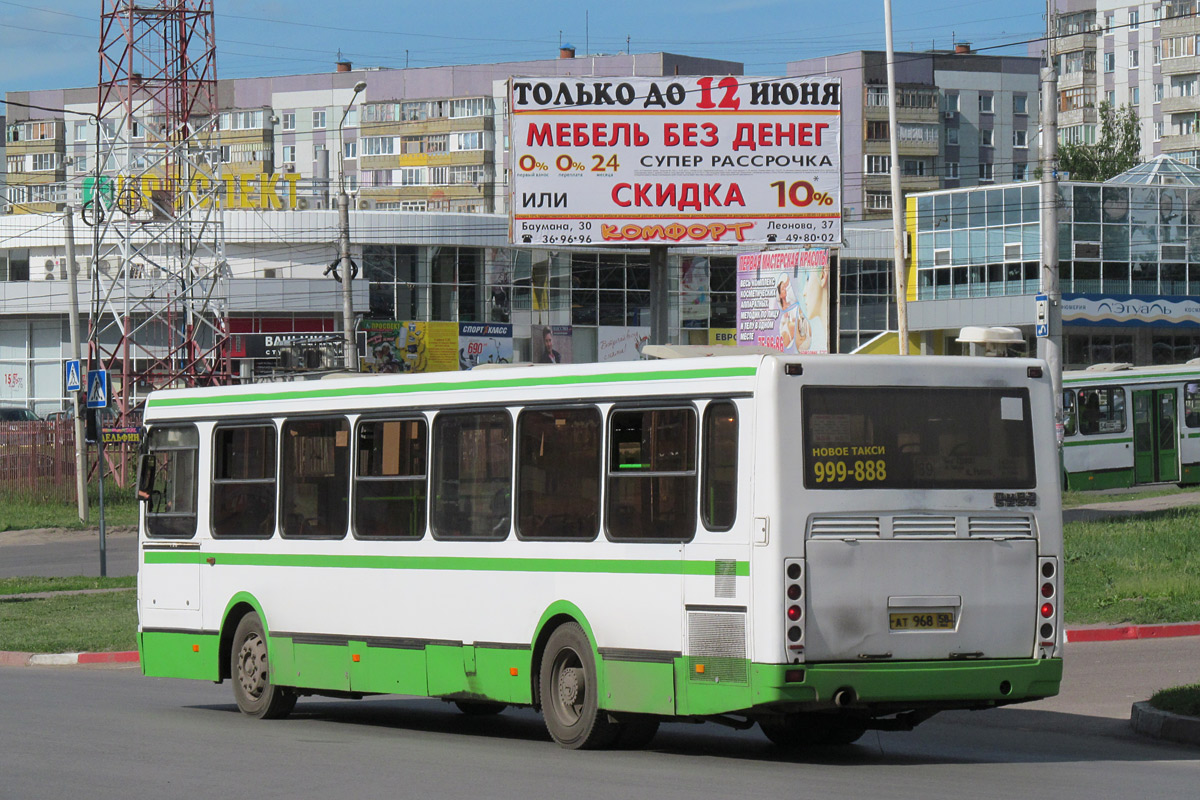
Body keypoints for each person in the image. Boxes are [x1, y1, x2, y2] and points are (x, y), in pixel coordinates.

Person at [774, 273, 809, 353]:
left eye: (785, 288)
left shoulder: (792, 303)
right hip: (788, 336)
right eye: (783, 289)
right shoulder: (782, 310)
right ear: (780, 295)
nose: (785, 290)